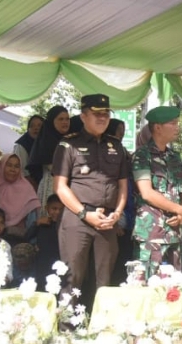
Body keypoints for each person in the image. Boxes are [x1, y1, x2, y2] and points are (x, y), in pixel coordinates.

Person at [53, 94, 129, 310]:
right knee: (72, 279)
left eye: (106, 114)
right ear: (83, 116)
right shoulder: (68, 144)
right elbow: (60, 186)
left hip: (107, 220)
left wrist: (117, 213)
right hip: (77, 218)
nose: (102, 118)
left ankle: (99, 326)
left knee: (104, 282)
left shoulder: (117, 146)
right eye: (97, 114)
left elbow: (123, 185)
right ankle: (67, 327)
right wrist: (84, 214)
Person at [131, 106, 182, 277]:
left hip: (174, 232)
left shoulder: (174, 156)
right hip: (152, 233)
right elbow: (147, 193)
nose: (177, 127)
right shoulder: (142, 155)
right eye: (173, 123)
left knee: (174, 284)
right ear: (157, 127)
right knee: (147, 282)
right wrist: (179, 209)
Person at [27, 105, 70, 215]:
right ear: (52, 121)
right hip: (51, 186)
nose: (65, 122)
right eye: (61, 119)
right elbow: (54, 168)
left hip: (69, 187)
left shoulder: (71, 140)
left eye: (67, 119)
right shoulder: (46, 141)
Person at [0, 153, 41, 241]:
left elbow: (32, 222)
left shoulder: (26, 188)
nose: (13, 169)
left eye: (16, 166)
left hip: (18, 239)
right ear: (2, 166)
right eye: (9, 165)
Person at [28, 194, 63, 287]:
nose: (57, 212)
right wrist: (36, 223)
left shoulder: (65, 226)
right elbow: (27, 236)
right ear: (47, 208)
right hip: (43, 262)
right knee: (42, 286)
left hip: (60, 262)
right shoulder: (42, 224)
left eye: (61, 209)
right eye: (54, 209)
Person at [13, 114, 43, 182]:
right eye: (32, 126)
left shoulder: (46, 144)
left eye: (39, 126)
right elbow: (23, 172)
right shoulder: (22, 145)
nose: (36, 128)